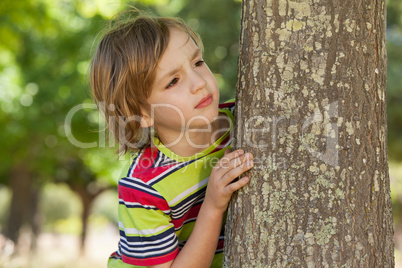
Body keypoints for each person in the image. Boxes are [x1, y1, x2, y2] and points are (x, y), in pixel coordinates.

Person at [90, 9, 254, 268]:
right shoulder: (144, 187)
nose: (199, 82)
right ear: (141, 114)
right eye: (173, 81)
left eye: (197, 63)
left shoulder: (245, 121)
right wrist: (212, 207)